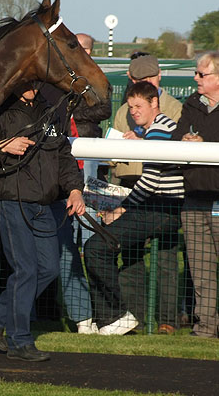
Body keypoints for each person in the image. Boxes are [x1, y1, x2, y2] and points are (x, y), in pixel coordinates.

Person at [0, 84, 86, 361]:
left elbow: (63, 155)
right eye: (26, 81)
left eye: (36, 81)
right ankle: (20, 341)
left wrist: (74, 189)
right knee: (26, 270)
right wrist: (2, 147)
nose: (32, 87)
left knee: (48, 268)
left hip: (44, 204)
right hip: (11, 202)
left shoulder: (49, 111)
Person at [84, 81, 184, 335]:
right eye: (130, 107)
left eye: (139, 106)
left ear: (154, 103)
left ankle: (115, 315)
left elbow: (151, 180)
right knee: (125, 257)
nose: (134, 112)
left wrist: (121, 209)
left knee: (96, 247)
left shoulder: (160, 130)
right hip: (159, 208)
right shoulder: (156, 130)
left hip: (162, 209)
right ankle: (125, 317)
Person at [41, 32, 111, 334]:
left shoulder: (90, 78)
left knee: (92, 244)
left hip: (88, 169)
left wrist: (70, 109)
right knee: (64, 251)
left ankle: (104, 313)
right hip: (62, 172)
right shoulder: (56, 83)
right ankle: (83, 317)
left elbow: (102, 106)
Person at [172, 52, 219, 339]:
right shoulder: (192, 103)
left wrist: (205, 144)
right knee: (200, 271)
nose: (196, 79)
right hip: (194, 198)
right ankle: (205, 328)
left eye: (202, 75)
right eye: (196, 74)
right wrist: (185, 141)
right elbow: (177, 136)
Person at [113, 54, 183, 188]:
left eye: (152, 77)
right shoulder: (123, 111)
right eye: (142, 80)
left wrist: (140, 143)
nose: (148, 82)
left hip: (159, 185)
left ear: (160, 75)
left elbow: (176, 151)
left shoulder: (176, 109)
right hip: (126, 181)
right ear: (132, 80)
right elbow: (112, 158)